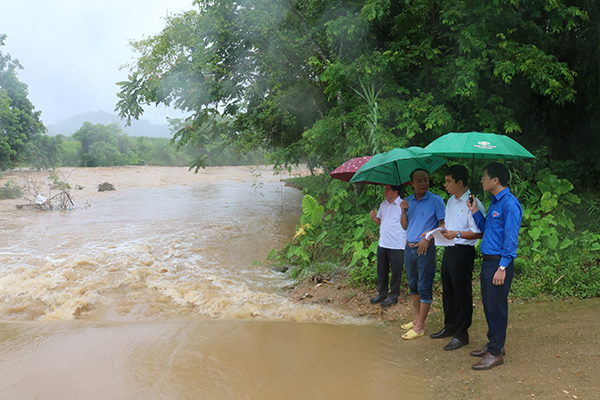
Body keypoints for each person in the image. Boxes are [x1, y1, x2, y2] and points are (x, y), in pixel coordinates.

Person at [467, 162, 523, 370]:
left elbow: (511, 238)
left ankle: (496, 352)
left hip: (499, 263)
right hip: (488, 261)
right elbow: (486, 228)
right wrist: (475, 211)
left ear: (495, 180)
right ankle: (493, 344)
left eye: (484, 177)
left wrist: (503, 267)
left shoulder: (509, 204)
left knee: (497, 308)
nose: (482, 180)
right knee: (490, 306)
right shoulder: (494, 202)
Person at [430, 165, 485, 351]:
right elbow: (450, 225)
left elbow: (479, 233)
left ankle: (462, 334)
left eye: (448, 181)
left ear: (459, 183)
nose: (445, 185)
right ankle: (450, 326)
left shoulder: (473, 203)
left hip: (463, 251)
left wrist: (457, 234)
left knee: (462, 293)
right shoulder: (451, 201)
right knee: (448, 290)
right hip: (449, 249)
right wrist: (439, 232)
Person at [399, 168, 445, 339]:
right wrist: (403, 210)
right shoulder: (408, 201)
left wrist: (429, 237)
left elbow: (444, 224)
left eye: (425, 179)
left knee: (424, 286)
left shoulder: (436, 200)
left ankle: (420, 327)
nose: (423, 183)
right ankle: (419, 319)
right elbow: (404, 226)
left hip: (425, 248)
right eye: (419, 180)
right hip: (408, 247)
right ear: (412, 183)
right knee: (413, 284)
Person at [369, 184, 407, 307]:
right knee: (381, 270)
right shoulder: (383, 205)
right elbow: (379, 222)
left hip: (397, 244)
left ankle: (393, 295)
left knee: (396, 271)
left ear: (396, 192)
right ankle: (382, 293)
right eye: (385, 190)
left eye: (388, 190)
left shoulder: (403, 204)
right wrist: (374, 217)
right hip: (383, 243)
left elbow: (406, 223)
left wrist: (403, 210)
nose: (385, 192)